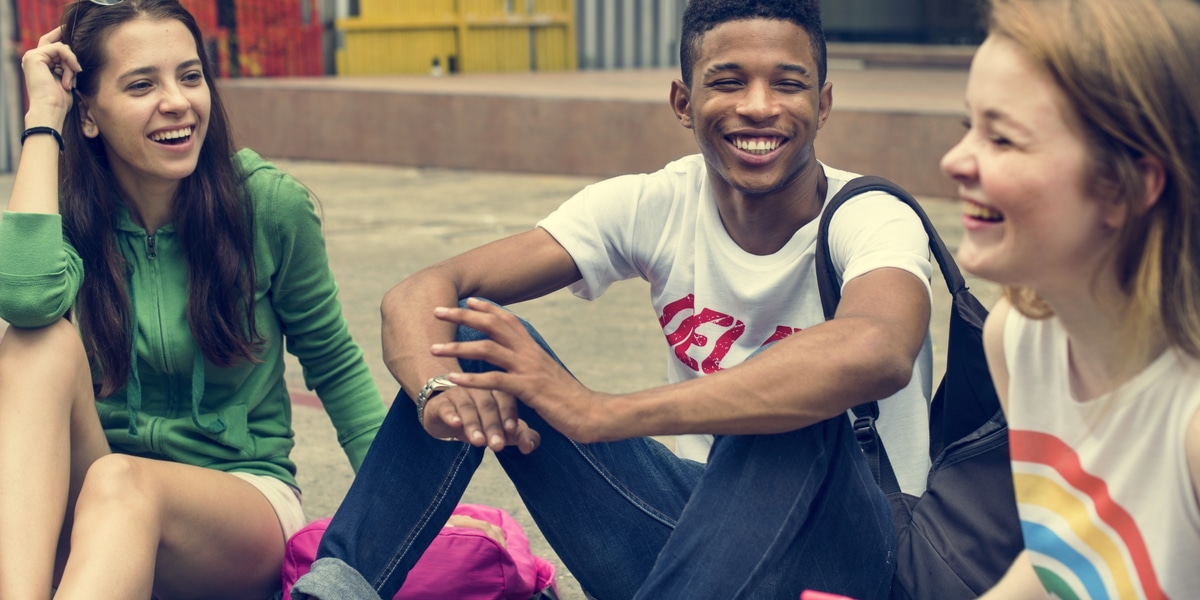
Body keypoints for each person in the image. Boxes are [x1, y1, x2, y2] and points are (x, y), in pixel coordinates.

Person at [293, 1, 935, 598]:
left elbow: (877, 348)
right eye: (728, 81)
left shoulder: (871, 216)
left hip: (856, 559)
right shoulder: (655, 204)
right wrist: (439, 391)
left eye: (788, 84)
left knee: (795, 403)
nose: (759, 107)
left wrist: (600, 413)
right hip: (692, 543)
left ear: (823, 104)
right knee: (476, 342)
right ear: (684, 101)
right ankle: (339, 587)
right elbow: (422, 292)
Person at [0, 1, 390, 597]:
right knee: (38, 342)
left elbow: (335, 364)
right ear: (89, 115)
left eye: (190, 76)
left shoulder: (267, 206)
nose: (178, 101)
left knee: (122, 482)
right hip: (102, 484)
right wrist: (43, 117)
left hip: (239, 503)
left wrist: (403, 510)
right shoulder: (69, 213)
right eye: (141, 85)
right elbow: (26, 299)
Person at [940, 0, 1200, 597]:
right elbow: (1065, 555)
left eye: (1002, 139)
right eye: (968, 127)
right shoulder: (1016, 339)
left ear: (1123, 186)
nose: (954, 161)